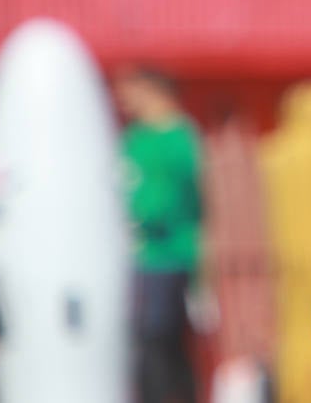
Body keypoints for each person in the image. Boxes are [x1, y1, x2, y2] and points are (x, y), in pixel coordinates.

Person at [116, 65, 204, 403]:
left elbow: (170, 202)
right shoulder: (133, 137)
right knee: (143, 348)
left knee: (163, 345)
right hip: (136, 261)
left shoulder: (180, 137)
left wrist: (137, 215)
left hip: (169, 260)